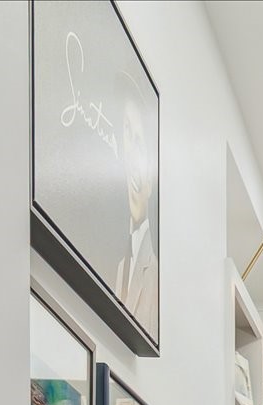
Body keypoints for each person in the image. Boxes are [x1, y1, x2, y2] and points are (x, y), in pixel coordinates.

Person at [114, 70, 158, 335]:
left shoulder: (156, 275)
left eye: (140, 144)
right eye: (126, 134)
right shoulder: (119, 265)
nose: (131, 158)